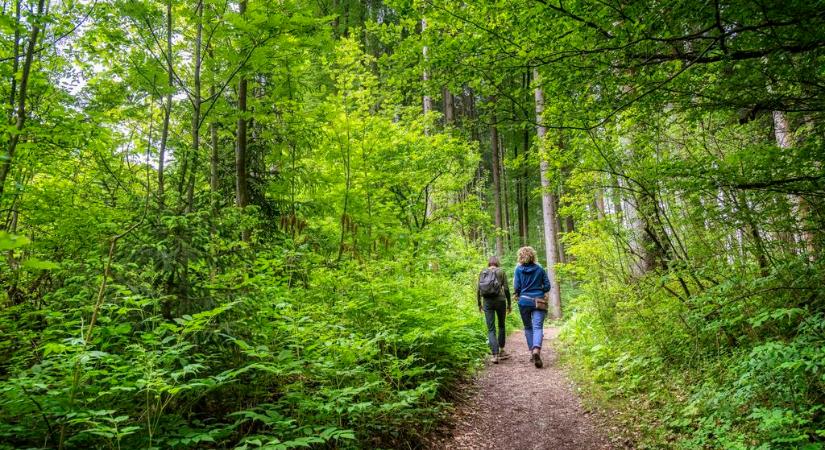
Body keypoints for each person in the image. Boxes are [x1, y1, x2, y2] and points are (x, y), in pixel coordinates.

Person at [513, 246, 551, 368]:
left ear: (520, 256)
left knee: (528, 327)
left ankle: (532, 352)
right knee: (538, 327)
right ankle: (536, 351)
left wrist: (518, 294)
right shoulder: (539, 269)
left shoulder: (518, 270)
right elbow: (547, 286)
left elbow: (517, 287)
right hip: (538, 301)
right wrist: (540, 290)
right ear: (533, 256)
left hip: (524, 301)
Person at [477, 256, 511, 363]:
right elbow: (506, 288)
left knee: (491, 329)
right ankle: (501, 350)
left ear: (489, 263)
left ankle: (495, 355)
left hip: (487, 302)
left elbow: (478, 289)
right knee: (501, 325)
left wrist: (479, 304)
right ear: (497, 263)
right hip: (500, 300)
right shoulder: (501, 272)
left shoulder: (483, 272)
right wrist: (509, 304)